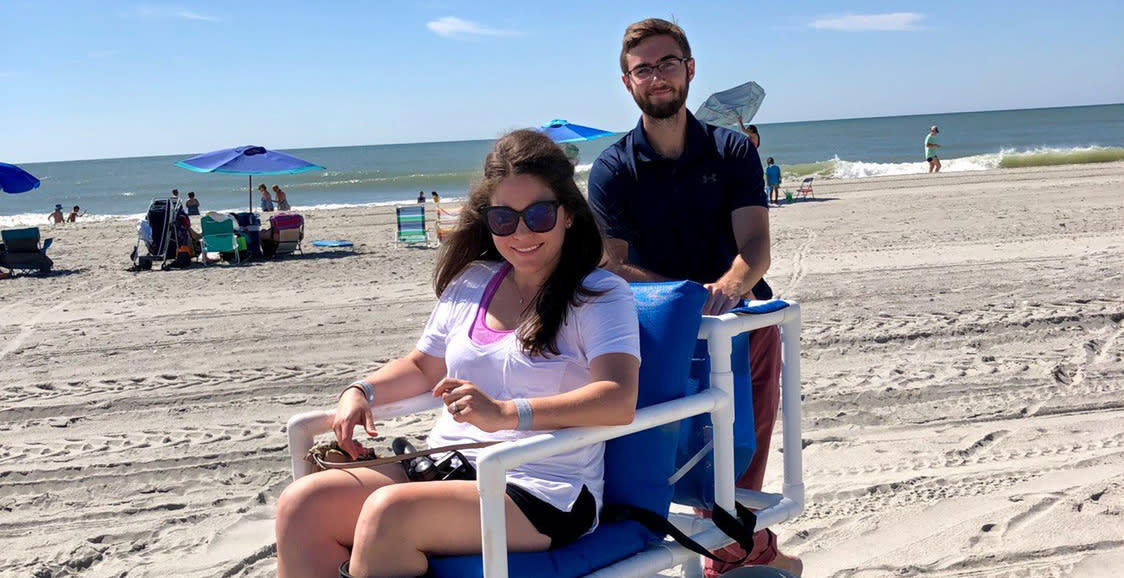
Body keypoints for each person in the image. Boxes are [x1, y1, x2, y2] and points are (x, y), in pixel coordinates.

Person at [275, 129, 641, 578]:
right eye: (504, 219)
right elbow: (421, 367)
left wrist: (506, 413)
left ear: (567, 214)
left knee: (389, 514)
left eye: (539, 215)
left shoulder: (599, 294)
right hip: (448, 469)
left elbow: (618, 400)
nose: (522, 232)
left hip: (544, 488)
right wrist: (361, 391)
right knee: (302, 504)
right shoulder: (472, 282)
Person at [587, 18, 802, 577]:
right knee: (676, 472)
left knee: (738, 472)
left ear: (689, 69)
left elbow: (755, 243)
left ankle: (738, 559)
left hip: (742, 326)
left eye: (667, 63)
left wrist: (729, 287)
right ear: (627, 81)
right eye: (643, 69)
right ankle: (760, 558)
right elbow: (611, 260)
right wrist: (686, 299)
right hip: (661, 337)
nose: (656, 76)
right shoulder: (614, 167)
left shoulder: (731, 151)